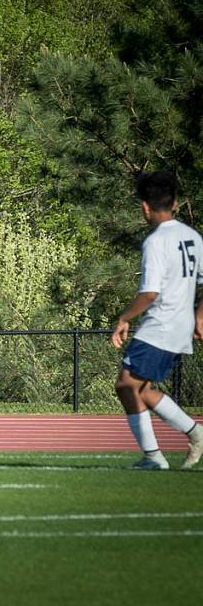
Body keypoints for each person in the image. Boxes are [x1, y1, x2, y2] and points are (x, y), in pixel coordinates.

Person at [111, 170, 203, 469]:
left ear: (145, 207)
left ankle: (153, 457)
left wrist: (124, 317)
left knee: (126, 385)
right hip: (180, 327)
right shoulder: (193, 237)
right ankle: (196, 433)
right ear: (175, 203)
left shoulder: (156, 241)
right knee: (144, 390)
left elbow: (149, 293)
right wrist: (198, 317)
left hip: (160, 326)